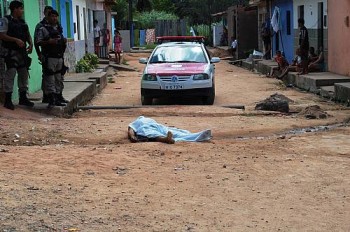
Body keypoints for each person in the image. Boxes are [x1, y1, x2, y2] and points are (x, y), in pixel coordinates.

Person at [0, 0, 34, 110]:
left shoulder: (22, 22)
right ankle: (8, 100)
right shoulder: (5, 20)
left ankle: (23, 98)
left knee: (24, 74)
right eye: (21, 9)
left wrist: (31, 44)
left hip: (22, 53)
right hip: (10, 52)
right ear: (15, 9)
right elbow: (2, 35)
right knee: (11, 73)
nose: (22, 11)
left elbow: (28, 35)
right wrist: (15, 40)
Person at [36, 10, 67, 108]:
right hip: (50, 57)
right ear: (48, 17)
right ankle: (51, 98)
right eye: (52, 16)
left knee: (59, 78)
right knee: (50, 79)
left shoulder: (58, 28)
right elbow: (38, 42)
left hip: (59, 57)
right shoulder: (43, 29)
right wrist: (49, 42)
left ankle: (58, 97)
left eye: (56, 16)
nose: (54, 18)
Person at [128, 116, 212, 144]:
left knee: (177, 132)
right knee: (153, 134)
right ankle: (166, 139)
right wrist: (132, 136)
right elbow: (131, 129)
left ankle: (199, 135)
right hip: (145, 128)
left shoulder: (149, 119)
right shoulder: (137, 121)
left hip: (159, 126)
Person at [34, 5, 53, 104]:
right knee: (46, 75)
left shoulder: (55, 24)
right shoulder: (40, 26)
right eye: (48, 13)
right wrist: (39, 54)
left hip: (54, 55)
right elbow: (36, 41)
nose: (50, 15)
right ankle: (46, 95)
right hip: (45, 54)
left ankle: (54, 96)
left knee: (55, 76)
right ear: (44, 13)